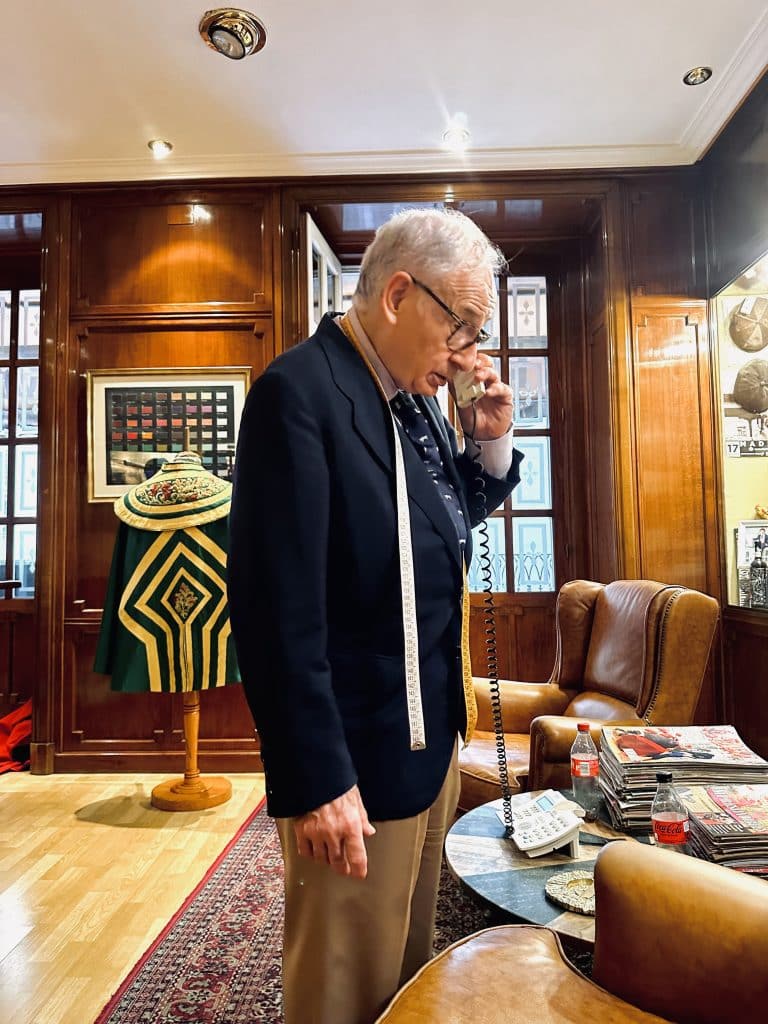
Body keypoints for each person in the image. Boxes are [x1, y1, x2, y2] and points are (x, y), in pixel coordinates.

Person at [228, 208, 522, 1024]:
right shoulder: (299, 394)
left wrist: (488, 447)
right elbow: (275, 614)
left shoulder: (412, 399)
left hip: (426, 744)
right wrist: (318, 780)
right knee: (344, 987)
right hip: (353, 762)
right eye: (461, 325)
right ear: (398, 295)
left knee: (402, 975)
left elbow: (428, 531)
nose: (467, 354)